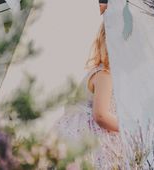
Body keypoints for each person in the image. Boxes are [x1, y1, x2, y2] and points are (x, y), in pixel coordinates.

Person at [54, 3, 127, 168]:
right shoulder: (105, 75)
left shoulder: (96, 70)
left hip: (72, 133)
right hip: (89, 140)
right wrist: (127, 127)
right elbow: (100, 115)